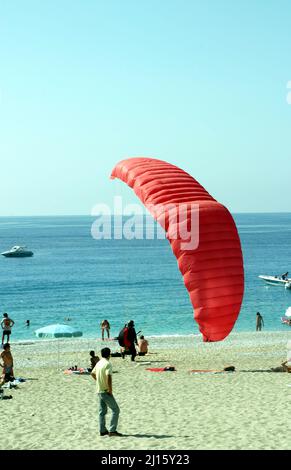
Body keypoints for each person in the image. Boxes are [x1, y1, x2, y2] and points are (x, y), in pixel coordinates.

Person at [91, 347, 122, 437]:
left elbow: (92, 373)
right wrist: (110, 389)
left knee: (102, 411)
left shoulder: (99, 362)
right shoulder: (108, 364)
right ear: (109, 354)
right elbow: (109, 377)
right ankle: (112, 430)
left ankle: (102, 430)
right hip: (105, 390)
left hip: (99, 390)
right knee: (116, 410)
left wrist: (98, 381)